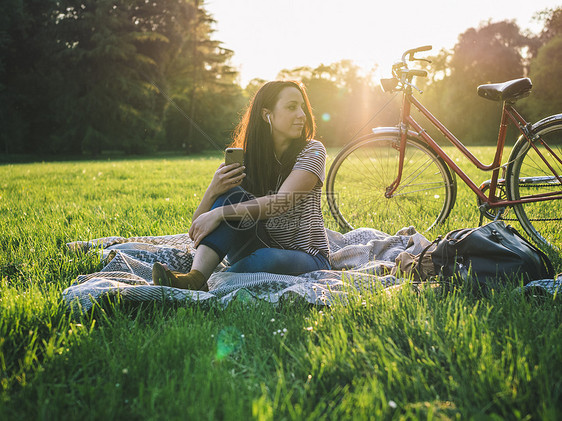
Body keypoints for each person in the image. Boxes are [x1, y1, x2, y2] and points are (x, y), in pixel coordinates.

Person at [152, 80, 331, 290]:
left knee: (266, 257)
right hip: (254, 244)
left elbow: (282, 202)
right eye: (292, 107)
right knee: (233, 197)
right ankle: (195, 277)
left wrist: (220, 213)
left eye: (302, 107)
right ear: (267, 115)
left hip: (307, 255)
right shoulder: (246, 160)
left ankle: (201, 280)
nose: (302, 114)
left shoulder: (313, 151)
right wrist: (212, 192)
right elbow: (196, 229)